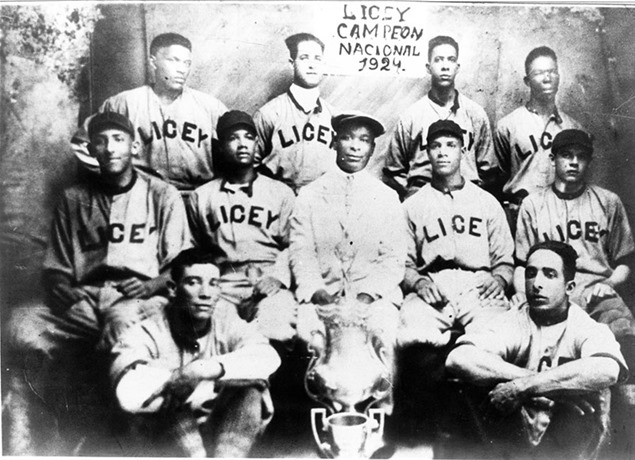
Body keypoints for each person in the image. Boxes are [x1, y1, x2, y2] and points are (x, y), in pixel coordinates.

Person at [3, 112, 192, 455]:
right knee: (21, 324)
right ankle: (24, 441)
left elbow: (181, 267)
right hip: (85, 297)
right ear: (92, 150)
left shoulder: (162, 194)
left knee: (123, 328)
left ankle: (136, 440)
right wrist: (63, 289)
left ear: (134, 146)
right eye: (101, 142)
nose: (110, 148)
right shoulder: (74, 198)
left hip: (137, 297)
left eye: (118, 139)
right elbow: (57, 267)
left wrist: (153, 285)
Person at [446, 241, 628, 459]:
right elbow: (458, 358)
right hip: (516, 434)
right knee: (476, 385)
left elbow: (607, 370)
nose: (537, 284)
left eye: (549, 275)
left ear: (569, 287)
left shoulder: (584, 326)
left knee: (587, 399)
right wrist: (544, 386)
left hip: (567, 440)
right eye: (531, 274)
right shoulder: (512, 321)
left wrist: (523, 387)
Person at [109, 248, 281, 457]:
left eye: (213, 284)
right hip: (167, 440)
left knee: (251, 389)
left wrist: (200, 370)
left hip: (222, 431)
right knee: (169, 389)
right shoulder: (147, 331)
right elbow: (127, 392)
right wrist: (180, 380)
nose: (206, 293)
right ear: (173, 289)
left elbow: (268, 356)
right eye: (193, 282)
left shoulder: (227, 322)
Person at [289, 111, 407, 411]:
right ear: (334, 142)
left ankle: (378, 412)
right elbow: (302, 253)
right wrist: (321, 294)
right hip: (323, 295)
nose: (355, 146)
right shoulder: (309, 195)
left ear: (372, 148)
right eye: (347, 138)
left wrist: (365, 298)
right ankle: (325, 414)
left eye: (363, 140)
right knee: (310, 338)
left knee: (383, 334)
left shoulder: (387, 197)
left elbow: (393, 259)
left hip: (373, 297)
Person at [514, 129, 635, 385]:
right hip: (549, 291)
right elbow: (522, 264)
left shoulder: (608, 202)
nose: (574, 162)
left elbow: (624, 262)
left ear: (589, 161)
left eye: (581, 157)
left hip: (595, 290)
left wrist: (609, 284)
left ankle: (621, 398)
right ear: (553, 158)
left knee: (622, 330)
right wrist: (522, 294)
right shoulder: (533, 204)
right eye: (566, 155)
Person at [399, 120, 514, 348]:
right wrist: (419, 283)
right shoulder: (412, 205)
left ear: (463, 150)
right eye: (436, 146)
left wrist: (499, 280)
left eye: (450, 145)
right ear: (427, 153)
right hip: (433, 284)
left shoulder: (486, 202)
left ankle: (460, 351)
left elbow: (504, 261)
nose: (443, 152)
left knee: (499, 336)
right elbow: (403, 264)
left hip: (479, 285)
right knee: (409, 335)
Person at [186, 110, 297, 342]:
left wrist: (278, 278)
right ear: (220, 147)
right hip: (223, 283)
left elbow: (295, 245)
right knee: (212, 332)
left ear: (257, 143)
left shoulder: (281, 193)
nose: (242, 144)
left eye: (248, 137)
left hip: (268, 280)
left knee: (278, 327)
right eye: (233, 138)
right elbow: (191, 251)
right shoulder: (202, 196)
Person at [72, 32, 227, 193]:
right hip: (144, 197)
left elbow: (238, 148)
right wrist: (115, 174)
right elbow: (81, 143)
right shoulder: (124, 103)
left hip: (196, 197)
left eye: (186, 63)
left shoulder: (210, 106)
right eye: (173, 60)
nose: (182, 69)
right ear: (153, 62)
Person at [383, 35, 497, 200]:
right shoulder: (411, 116)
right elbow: (393, 172)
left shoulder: (475, 114)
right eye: (438, 60)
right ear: (428, 68)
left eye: (451, 60)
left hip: (466, 199)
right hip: (423, 199)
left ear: (457, 67)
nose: (445, 66)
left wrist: (471, 196)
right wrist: (414, 197)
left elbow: (489, 171)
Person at [494, 46, 584, 229]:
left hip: (562, 215)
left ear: (559, 76)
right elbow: (498, 177)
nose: (547, 78)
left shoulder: (573, 128)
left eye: (552, 72)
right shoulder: (508, 125)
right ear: (527, 81)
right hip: (520, 215)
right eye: (539, 73)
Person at [253, 32, 338, 194]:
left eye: (317, 59)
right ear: (292, 64)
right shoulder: (269, 114)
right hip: (277, 200)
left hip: (321, 202)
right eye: (304, 58)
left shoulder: (334, 117)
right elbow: (250, 168)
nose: (312, 65)